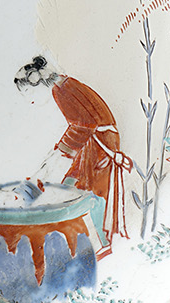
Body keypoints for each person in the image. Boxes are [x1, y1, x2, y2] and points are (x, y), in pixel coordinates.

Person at [14, 55, 131, 257]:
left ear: (37, 82)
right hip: (93, 142)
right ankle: (86, 242)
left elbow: (84, 124)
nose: (29, 99)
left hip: (100, 144)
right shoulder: (63, 86)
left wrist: (62, 151)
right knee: (72, 187)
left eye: (28, 92)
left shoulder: (62, 90)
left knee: (87, 193)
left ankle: (101, 243)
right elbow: (81, 125)